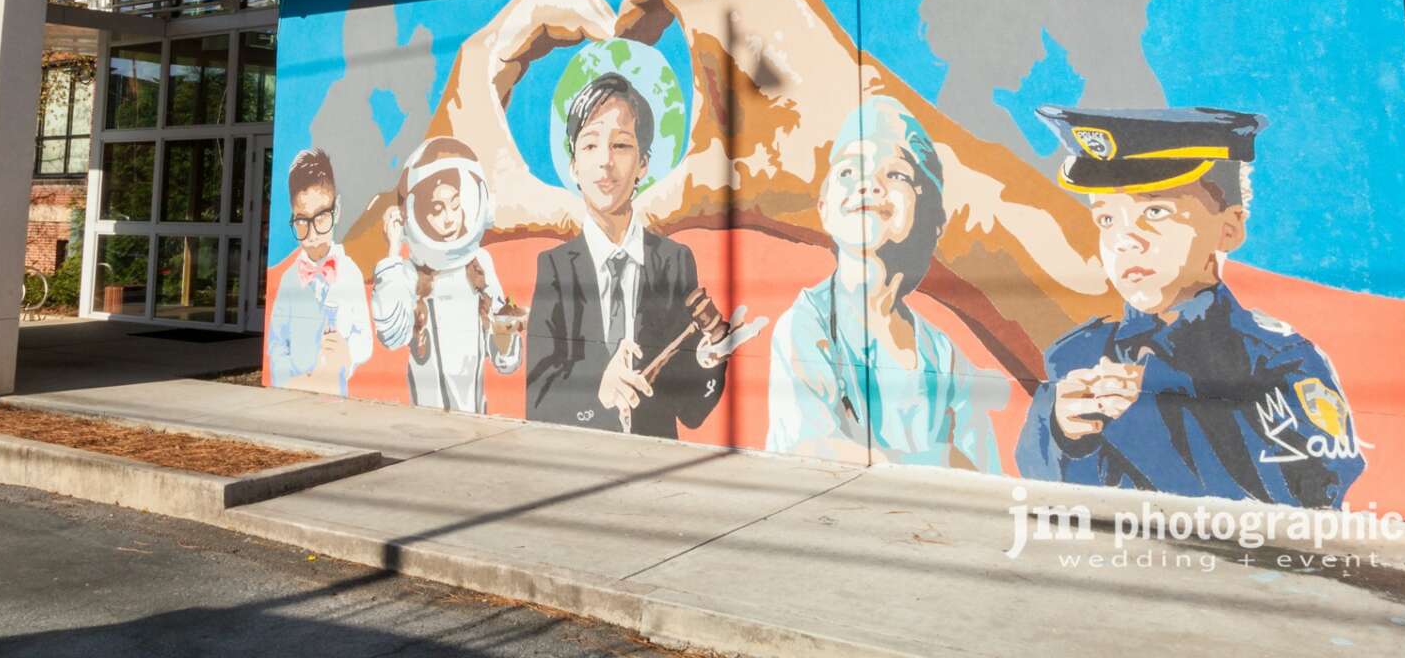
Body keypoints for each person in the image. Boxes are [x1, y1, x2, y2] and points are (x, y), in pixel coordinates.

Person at [1016, 107, 1364, 508]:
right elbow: (1038, 492)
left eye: (1155, 212)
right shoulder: (1077, 355)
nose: (1125, 240)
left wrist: (1146, 410)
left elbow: (1312, 498)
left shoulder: (1278, 360)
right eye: (1107, 219)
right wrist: (1064, 436)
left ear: (1229, 228)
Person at [767, 97, 999, 470]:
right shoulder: (805, 326)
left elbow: (983, 473)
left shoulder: (943, 355)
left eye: (896, 174)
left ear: (932, 216)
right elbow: (812, 453)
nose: (869, 184)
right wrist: (942, 459)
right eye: (848, 171)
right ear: (824, 208)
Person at [526, 71, 761, 436]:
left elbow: (692, 411)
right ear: (573, 166)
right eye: (589, 145)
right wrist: (598, 390)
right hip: (579, 457)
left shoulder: (674, 261)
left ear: (643, 163)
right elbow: (537, 400)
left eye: (621, 145)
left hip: (655, 460)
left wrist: (710, 356)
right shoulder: (555, 267)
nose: (605, 161)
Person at [371, 136, 525, 412]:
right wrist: (393, 248)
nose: (450, 217)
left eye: (455, 204)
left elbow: (506, 361)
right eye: (437, 209)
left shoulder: (480, 265)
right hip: (427, 423)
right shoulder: (409, 274)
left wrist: (508, 329)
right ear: (416, 214)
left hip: (475, 420)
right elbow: (392, 335)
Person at [267, 149, 372, 394]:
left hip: (336, 391)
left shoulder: (350, 273)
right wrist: (289, 380)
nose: (312, 233)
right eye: (302, 221)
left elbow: (364, 337)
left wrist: (347, 353)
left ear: (337, 210)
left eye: (321, 217)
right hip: (296, 389)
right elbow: (276, 341)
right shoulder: (289, 280)